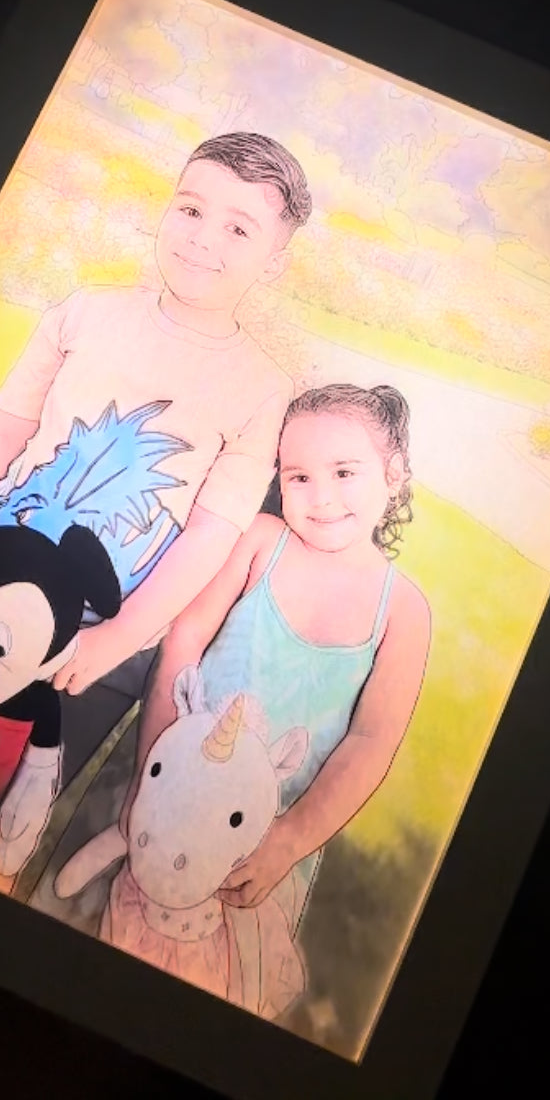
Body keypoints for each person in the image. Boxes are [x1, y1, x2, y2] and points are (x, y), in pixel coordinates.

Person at [0, 133, 311, 848]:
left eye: (239, 228)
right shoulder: (85, 312)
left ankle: (11, 794)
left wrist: (117, 638)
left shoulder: (262, 387)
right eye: (191, 209)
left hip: (93, 620)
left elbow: (212, 530)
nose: (203, 238)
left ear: (274, 259)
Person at [118, 383, 432, 926]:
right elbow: (184, 641)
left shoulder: (404, 611)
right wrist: (151, 775)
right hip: (169, 791)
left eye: (344, 472)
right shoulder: (263, 540)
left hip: (269, 843)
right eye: (298, 477)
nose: (321, 497)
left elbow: (371, 742)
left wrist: (290, 840)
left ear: (394, 473)